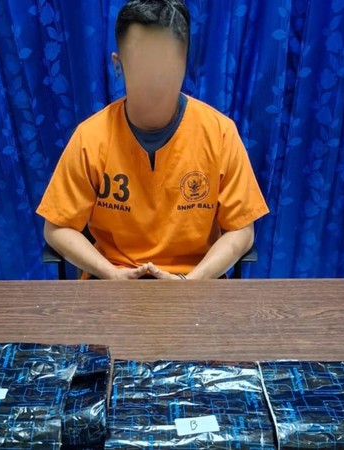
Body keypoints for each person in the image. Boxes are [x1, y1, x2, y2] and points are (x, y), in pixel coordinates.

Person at [37, 0, 268, 280]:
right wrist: (111, 274)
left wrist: (190, 282)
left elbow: (242, 229)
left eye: (167, 65)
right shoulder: (90, 138)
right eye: (143, 64)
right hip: (112, 281)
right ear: (118, 65)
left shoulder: (220, 133)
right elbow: (56, 227)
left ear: (185, 63)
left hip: (195, 281)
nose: (156, 79)